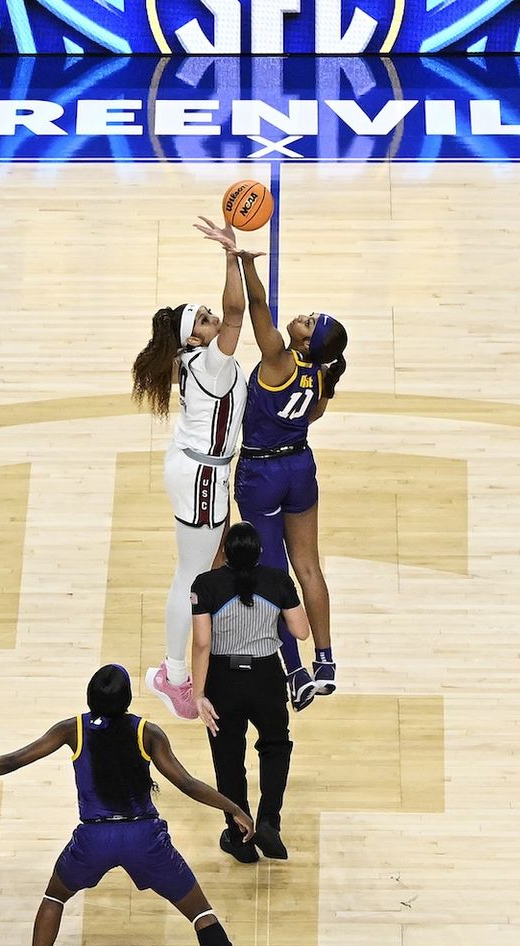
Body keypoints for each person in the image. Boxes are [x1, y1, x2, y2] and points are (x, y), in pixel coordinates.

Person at [0, 665, 279, 946]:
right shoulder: (148, 732)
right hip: (144, 839)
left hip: (94, 838)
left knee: (54, 898)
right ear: (127, 700)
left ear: (89, 697)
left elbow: (15, 760)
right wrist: (234, 807)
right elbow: (187, 784)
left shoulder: (72, 729)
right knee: (200, 914)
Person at [213, 237, 346, 710]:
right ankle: (326, 660)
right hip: (300, 465)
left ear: (306, 341)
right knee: (308, 565)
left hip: (262, 472)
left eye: (308, 321)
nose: (302, 315)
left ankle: (295, 671)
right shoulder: (323, 373)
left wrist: (246, 263)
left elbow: (257, 307)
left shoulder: (278, 359)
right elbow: (314, 417)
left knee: (272, 573)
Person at [133, 219, 246, 721]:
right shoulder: (210, 363)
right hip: (202, 475)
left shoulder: (193, 361)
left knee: (198, 566)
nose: (213, 320)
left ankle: (190, 656)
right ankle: (173, 676)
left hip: (200, 469)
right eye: (203, 319)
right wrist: (232, 256)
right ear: (193, 338)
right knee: (190, 575)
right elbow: (237, 311)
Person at [191, 522, 310, 862]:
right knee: (275, 746)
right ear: (260, 553)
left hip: (222, 680)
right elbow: (301, 631)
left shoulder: (205, 585)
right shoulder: (278, 581)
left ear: (225, 552)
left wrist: (199, 694)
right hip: (266, 677)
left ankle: (239, 835)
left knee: (228, 759)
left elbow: (202, 643)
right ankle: (269, 821)